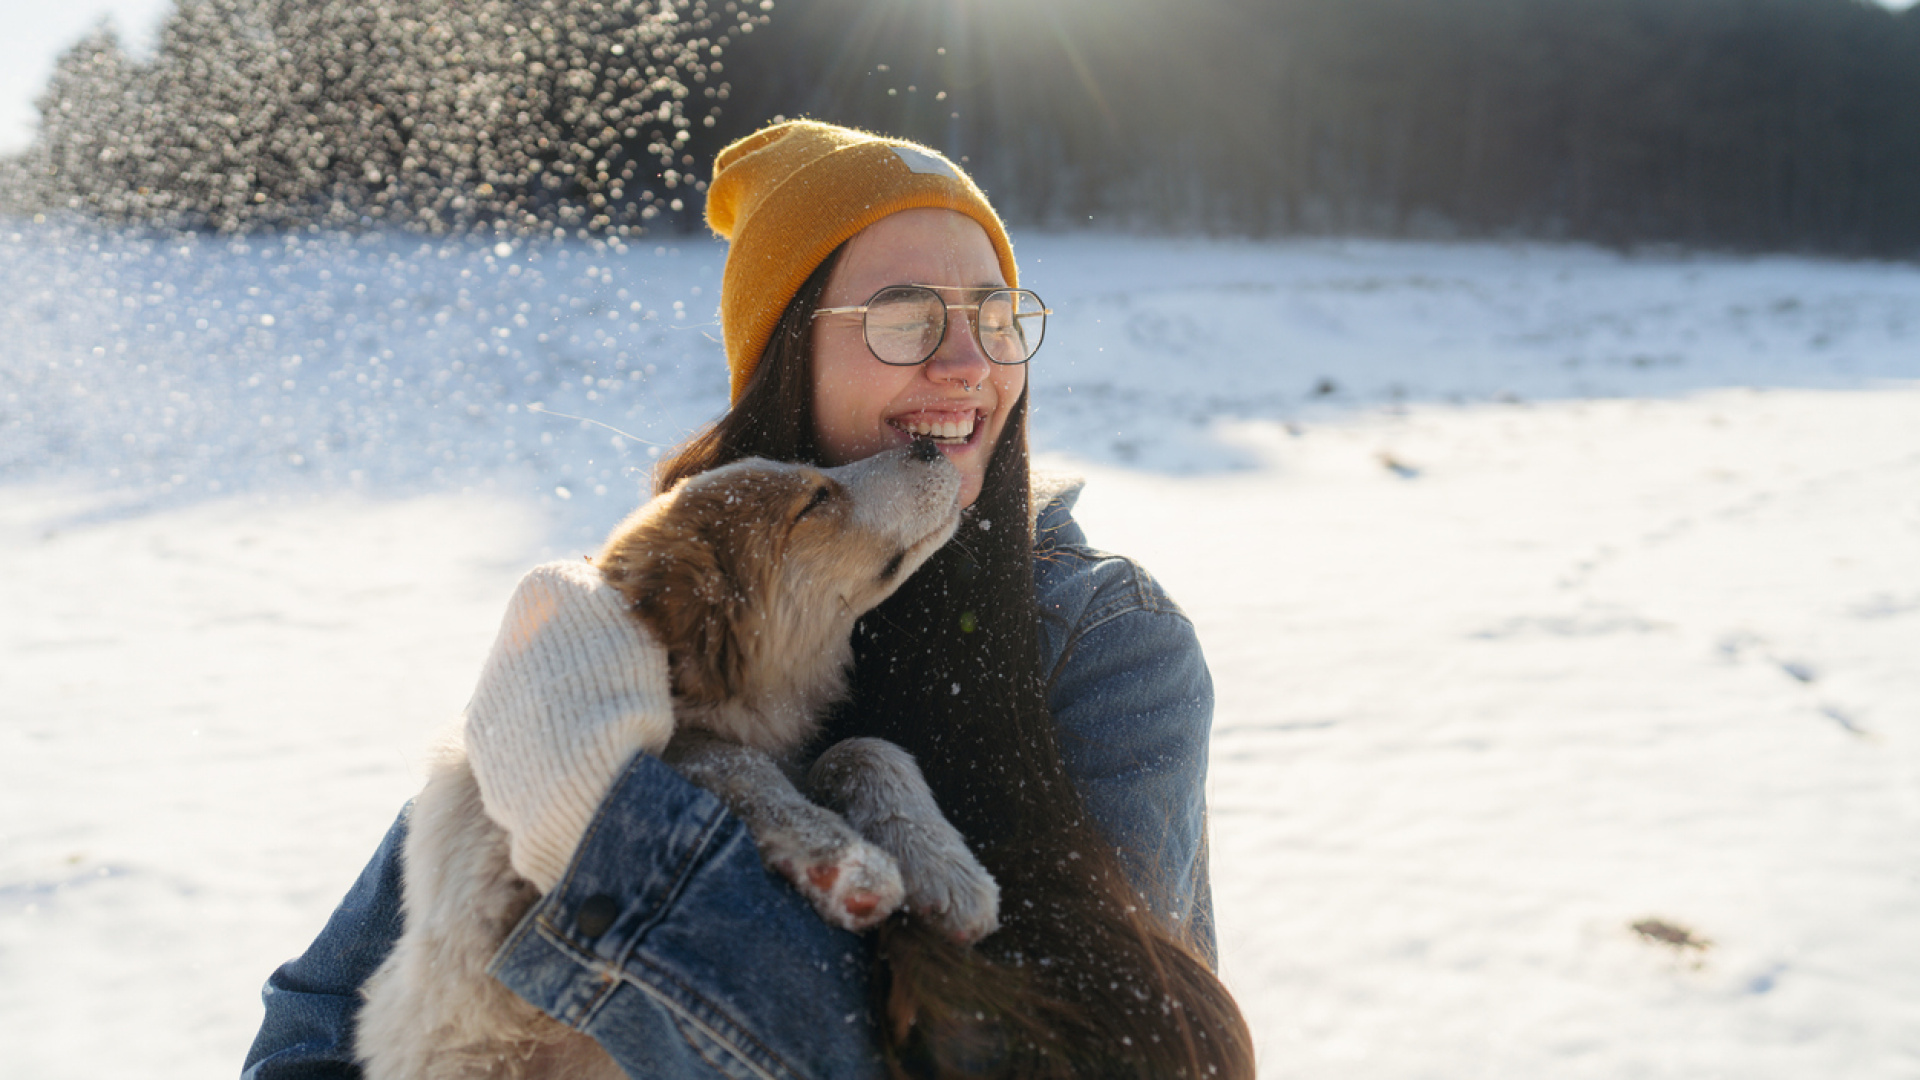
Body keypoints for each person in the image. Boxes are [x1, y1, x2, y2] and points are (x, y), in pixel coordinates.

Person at [243, 120, 1249, 1080]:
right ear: (787, 351)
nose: (970, 364)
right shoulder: (631, 626)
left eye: (997, 315)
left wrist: (603, 833)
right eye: (906, 315)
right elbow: (312, 1029)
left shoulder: (1107, 646)